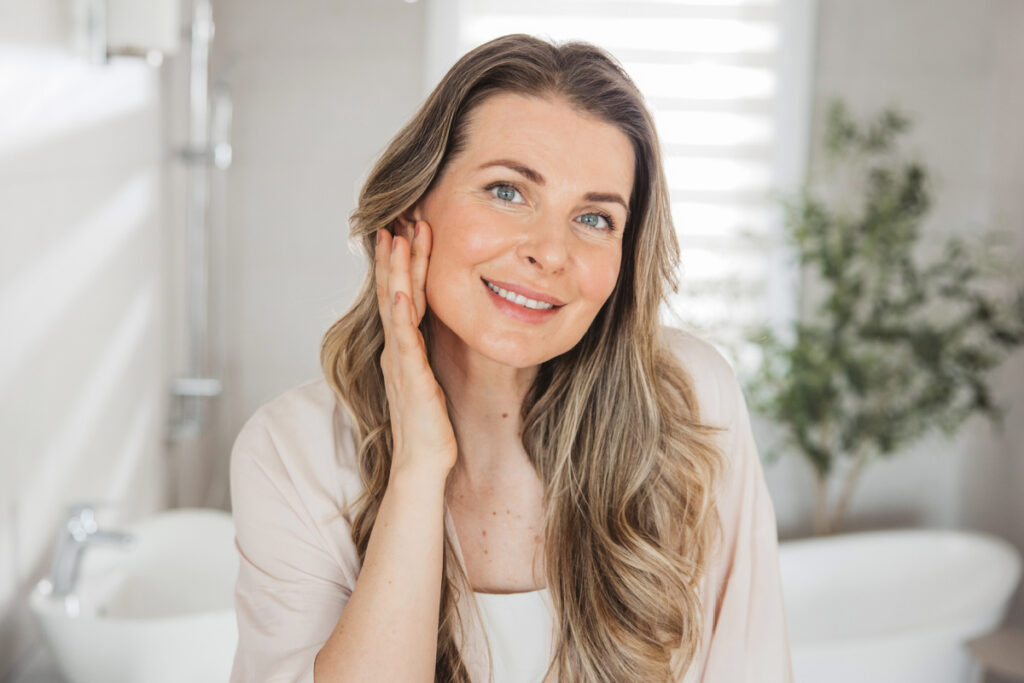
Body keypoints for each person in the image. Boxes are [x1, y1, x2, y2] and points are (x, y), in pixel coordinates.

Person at [229, 33, 793, 683]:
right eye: (507, 191)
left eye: (594, 218)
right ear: (413, 208)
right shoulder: (290, 453)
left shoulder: (692, 400)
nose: (550, 252)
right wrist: (417, 468)